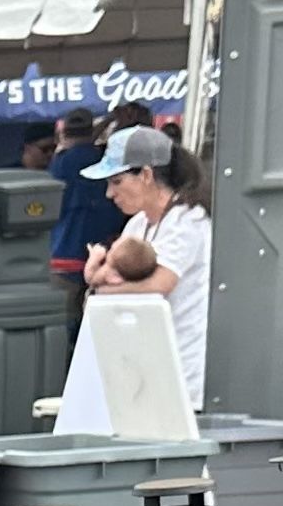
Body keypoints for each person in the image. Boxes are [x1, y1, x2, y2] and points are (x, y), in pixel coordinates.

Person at [83, 120, 212, 408]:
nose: (109, 194)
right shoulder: (136, 225)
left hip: (183, 377)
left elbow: (160, 284)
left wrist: (99, 293)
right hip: (142, 373)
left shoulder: (188, 220)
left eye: (116, 182)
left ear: (146, 175)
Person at [44, 109, 113, 311]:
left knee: (61, 332)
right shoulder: (104, 162)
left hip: (63, 256)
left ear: (63, 133)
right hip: (104, 260)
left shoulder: (59, 165)